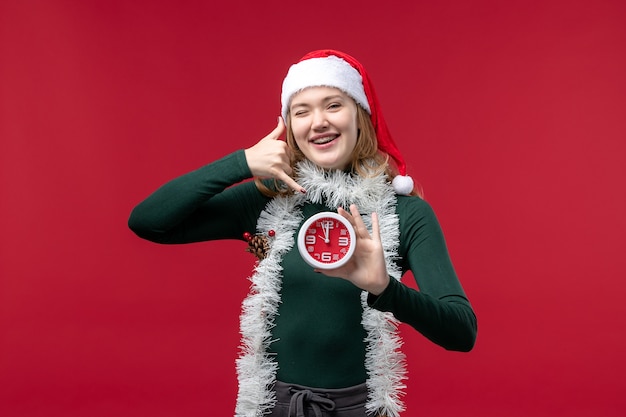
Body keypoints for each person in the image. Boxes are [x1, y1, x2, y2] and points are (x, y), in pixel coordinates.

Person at [128, 49, 477, 417]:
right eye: (302, 111)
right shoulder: (269, 200)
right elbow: (149, 221)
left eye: (333, 105)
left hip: (361, 408)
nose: (318, 122)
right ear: (289, 126)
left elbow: (462, 331)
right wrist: (241, 163)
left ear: (360, 116)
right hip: (272, 406)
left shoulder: (404, 213)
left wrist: (385, 289)